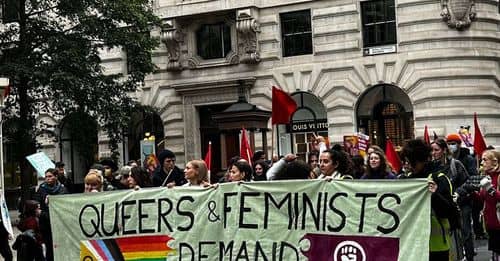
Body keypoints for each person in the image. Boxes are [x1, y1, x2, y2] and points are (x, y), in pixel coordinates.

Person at [401, 139, 456, 261]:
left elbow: (449, 212)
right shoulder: (407, 181)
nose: (407, 165)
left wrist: (435, 194)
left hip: (437, 246)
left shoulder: (439, 178)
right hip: (412, 244)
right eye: (406, 162)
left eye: (410, 162)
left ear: (421, 160)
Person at [431, 138, 470, 260]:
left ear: (443, 150)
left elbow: (468, 181)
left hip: (458, 205)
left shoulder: (455, 164)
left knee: (463, 232)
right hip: (440, 208)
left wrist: (458, 193)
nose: (433, 153)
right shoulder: (430, 167)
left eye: (436, 150)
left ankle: (467, 256)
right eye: (431, 150)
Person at [467, 150, 500, 260]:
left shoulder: (498, 177)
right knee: (495, 252)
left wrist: (490, 189)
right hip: (491, 223)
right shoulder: (486, 177)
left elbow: (497, 197)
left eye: (485, 160)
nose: (481, 163)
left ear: (495, 162)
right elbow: (482, 199)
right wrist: (472, 192)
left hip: (498, 222)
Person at [35, 168, 66, 261]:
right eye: (46, 177)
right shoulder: (42, 189)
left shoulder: (62, 189)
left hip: (59, 223)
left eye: (50, 176)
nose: (47, 179)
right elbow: (37, 204)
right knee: (49, 248)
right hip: (46, 224)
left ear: (56, 177)